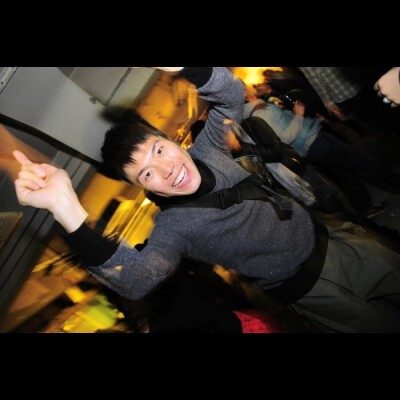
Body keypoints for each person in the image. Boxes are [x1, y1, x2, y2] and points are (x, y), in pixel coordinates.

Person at [13, 67, 400, 332]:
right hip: (313, 288)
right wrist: (65, 208)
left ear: (171, 141)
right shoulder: (174, 228)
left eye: (159, 151)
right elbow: (137, 279)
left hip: (337, 239)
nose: (166, 169)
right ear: (145, 188)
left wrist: (185, 68)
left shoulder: (209, 148)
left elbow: (231, 94)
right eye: (147, 173)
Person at [243, 85, 400, 218]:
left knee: (345, 173)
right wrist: (298, 115)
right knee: (362, 161)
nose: (251, 85)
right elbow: (283, 138)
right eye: (245, 86)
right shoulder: (260, 113)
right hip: (315, 143)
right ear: (245, 95)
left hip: (313, 143)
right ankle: (394, 184)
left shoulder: (260, 107)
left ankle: (365, 207)